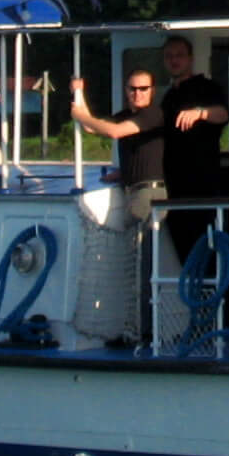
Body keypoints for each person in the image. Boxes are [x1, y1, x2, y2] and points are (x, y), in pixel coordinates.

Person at [68, 66, 168, 340]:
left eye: (143, 89)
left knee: (143, 267)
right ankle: (131, 327)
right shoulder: (127, 116)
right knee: (132, 267)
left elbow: (113, 132)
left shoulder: (154, 115)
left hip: (150, 196)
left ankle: (145, 333)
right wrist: (79, 93)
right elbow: (91, 126)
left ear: (152, 91)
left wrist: (81, 114)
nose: (137, 94)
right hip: (131, 193)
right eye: (132, 89)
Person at [157, 36, 229, 272]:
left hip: (203, 186)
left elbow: (222, 114)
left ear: (190, 58)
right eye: (169, 56)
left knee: (206, 250)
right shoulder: (168, 98)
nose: (174, 60)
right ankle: (193, 304)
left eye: (179, 55)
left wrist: (199, 113)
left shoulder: (207, 87)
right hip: (174, 188)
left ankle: (213, 304)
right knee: (184, 253)